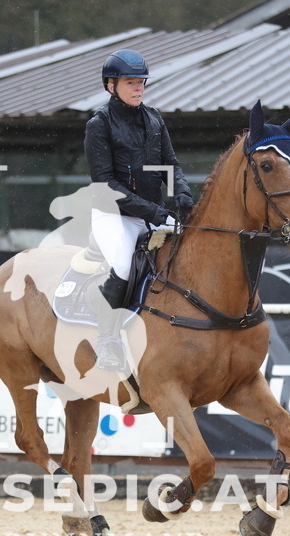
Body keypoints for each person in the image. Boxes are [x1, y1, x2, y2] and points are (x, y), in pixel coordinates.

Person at [84, 48, 193, 371]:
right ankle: (107, 340)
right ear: (110, 85)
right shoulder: (99, 124)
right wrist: (156, 213)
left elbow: (170, 166)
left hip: (152, 214)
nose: (139, 89)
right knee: (123, 266)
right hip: (113, 215)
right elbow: (106, 186)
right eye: (131, 83)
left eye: (142, 83)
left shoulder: (154, 118)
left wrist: (183, 192)